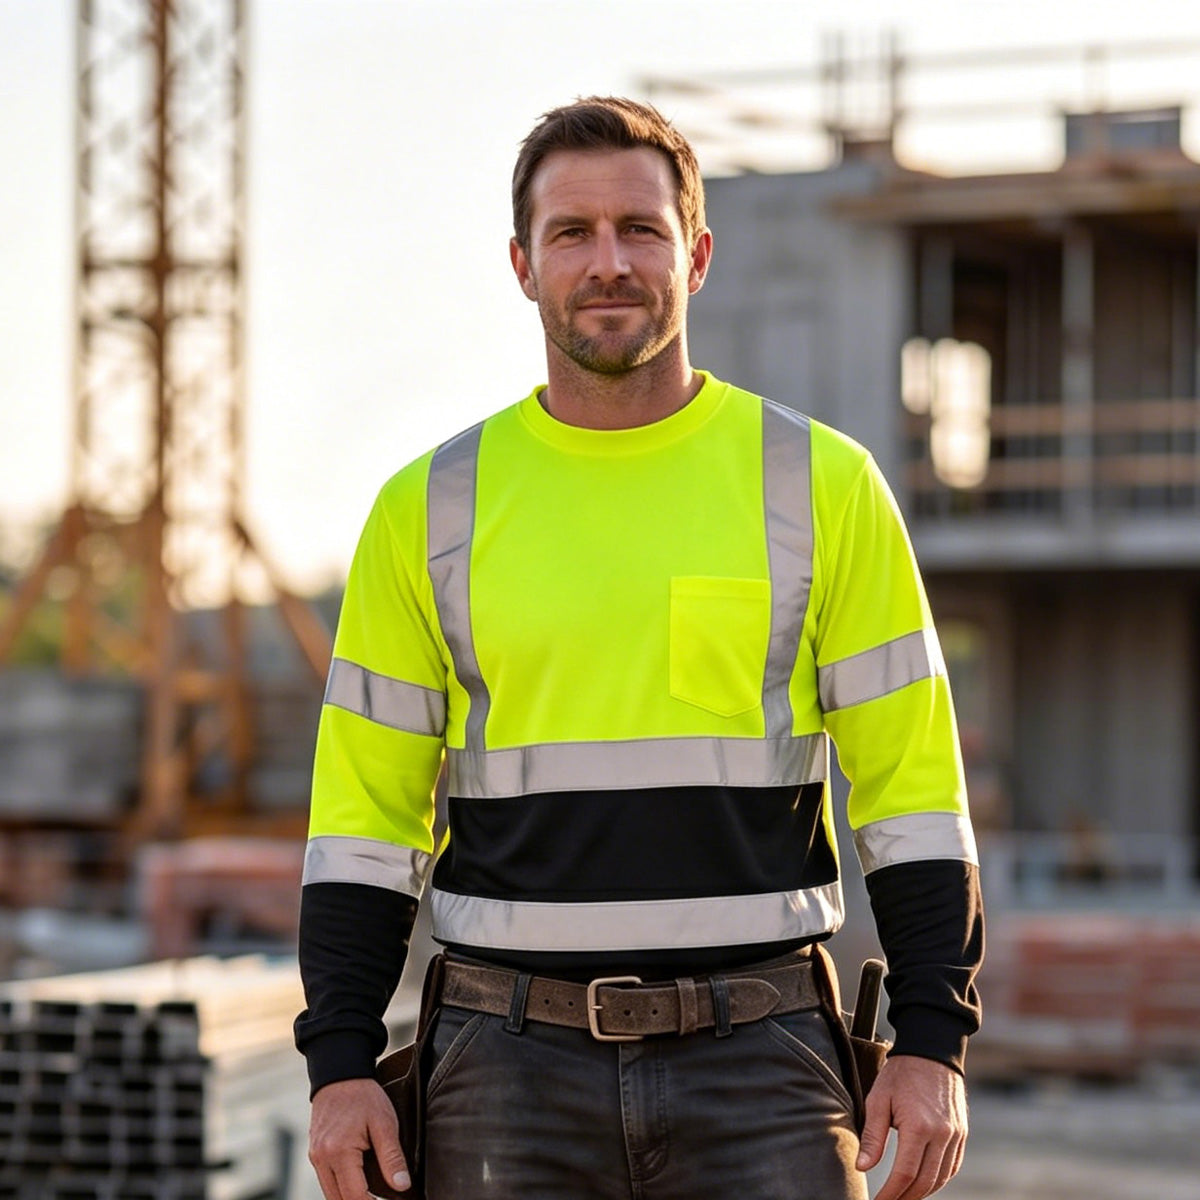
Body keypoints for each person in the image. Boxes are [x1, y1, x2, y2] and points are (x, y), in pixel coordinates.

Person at [296, 96, 983, 1200]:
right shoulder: (427, 510)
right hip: (499, 1068)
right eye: (572, 233)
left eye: (640, 230)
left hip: (765, 1060)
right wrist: (339, 1064)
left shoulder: (823, 485)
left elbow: (912, 789)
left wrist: (932, 1038)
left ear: (697, 255)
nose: (607, 262)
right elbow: (364, 821)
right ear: (522, 264)